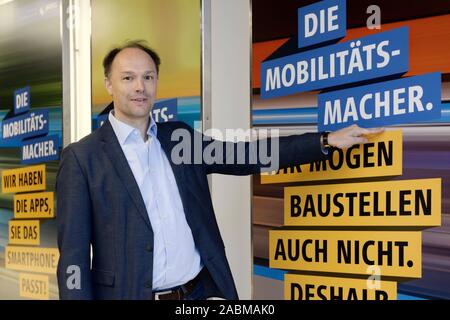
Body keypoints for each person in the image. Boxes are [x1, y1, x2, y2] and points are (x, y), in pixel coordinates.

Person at [56, 41, 383, 300]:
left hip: (197, 294)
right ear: (109, 84)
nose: (139, 86)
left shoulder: (178, 138)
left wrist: (325, 140)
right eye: (127, 77)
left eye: (148, 76)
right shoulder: (82, 158)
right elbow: (73, 258)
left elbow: (246, 155)